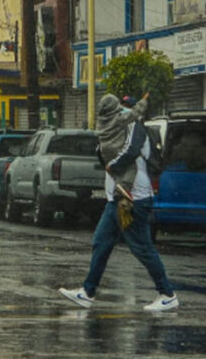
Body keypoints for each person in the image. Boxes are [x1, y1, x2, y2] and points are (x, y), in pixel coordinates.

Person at [59, 93, 178, 312]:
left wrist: (112, 166)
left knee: (142, 247)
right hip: (116, 198)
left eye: (125, 109)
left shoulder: (137, 128)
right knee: (101, 243)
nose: (121, 113)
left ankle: (167, 294)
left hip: (134, 198)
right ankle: (87, 292)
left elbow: (130, 152)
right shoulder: (118, 128)